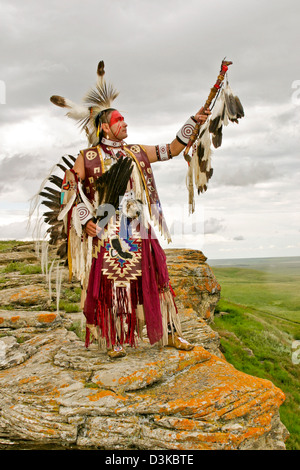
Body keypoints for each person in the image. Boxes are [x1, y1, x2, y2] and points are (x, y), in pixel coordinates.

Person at [49, 62, 210, 358]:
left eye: (125, 119)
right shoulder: (89, 157)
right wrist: (84, 219)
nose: (125, 123)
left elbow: (171, 150)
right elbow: (67, 192)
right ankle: (113, 340)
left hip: (138, 227)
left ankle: (170, 333)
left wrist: (194, 120)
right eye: (119, 120)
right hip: (109, 231)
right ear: (105, 126)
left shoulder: (136, 152)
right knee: (113, 287)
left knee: (159, 278)